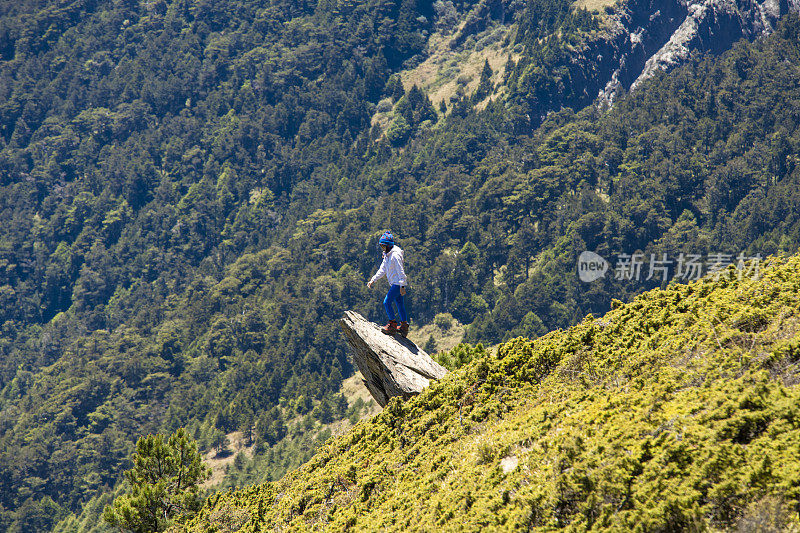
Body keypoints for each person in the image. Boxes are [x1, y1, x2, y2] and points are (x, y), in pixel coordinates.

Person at [367, 231, 409, 337]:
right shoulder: (387, 255)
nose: (382, 248)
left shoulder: (395, 255)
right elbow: (383, 269)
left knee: (386, 302)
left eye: (383, 245)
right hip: (397, 283)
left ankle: (392, 325)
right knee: (399, 304)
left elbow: (400, 270)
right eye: (381, 246)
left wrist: (402, 285)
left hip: (398, 283)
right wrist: (373, 279)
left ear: (389, 245)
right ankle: (404, 326)